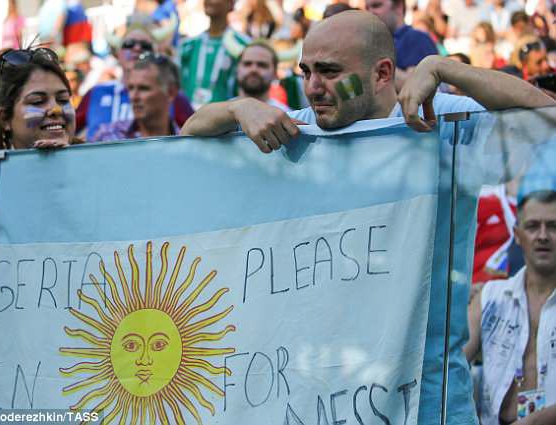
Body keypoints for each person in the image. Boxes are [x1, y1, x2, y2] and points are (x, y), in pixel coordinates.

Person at [181, 10, 554, 424]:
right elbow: (187, 137)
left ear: (381, 73)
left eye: (329, 71)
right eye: (305, 72)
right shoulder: (298, 130)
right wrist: (237, 108)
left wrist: (445, 68)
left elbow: (548, 121)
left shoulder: (438, 119)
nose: (312, 88)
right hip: (316, 400)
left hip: (429, 401)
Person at [465, 185, 556, 425]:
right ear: (517, 234)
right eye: (533, 226)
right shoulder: (491, 296)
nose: (543, 235)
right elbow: (452, 361)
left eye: (553, 226)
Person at [76, 26, 193, 141]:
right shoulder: (96, 93)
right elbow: (68, 129)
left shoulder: (172, 95)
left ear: (156, 52)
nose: (137, 48)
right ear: (117, 53)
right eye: (129, 44)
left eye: (145, 46)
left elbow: (194, 131)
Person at [0, 47, 76, 150]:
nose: (56, 110)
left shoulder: (94, 161)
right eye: (37, 101)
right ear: (5, 118)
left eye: (63, 100)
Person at [178, 0, 251, 109]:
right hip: (188, 119)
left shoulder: (244, 45)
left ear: (231, 5)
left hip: (226, 119)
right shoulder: (189, 45)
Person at [92, 53, 181, 141]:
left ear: (170, 93)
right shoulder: (107, 136)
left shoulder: (185, 142)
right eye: (130, 88)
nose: (133, 97)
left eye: (143, 88)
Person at [366, 0, 437, 88]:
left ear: (398, 6)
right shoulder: (374, 41)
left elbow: (416, 87)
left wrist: (372, 59)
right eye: (367, 8)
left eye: (376, 5)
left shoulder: (417, 38)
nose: (369, 13)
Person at [236, 41, 290, 111]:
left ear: (275, 73)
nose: (254, 70)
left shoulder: (288, 116)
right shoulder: (219, 115)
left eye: (262, 65)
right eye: (247, 64)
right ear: (237, 69)